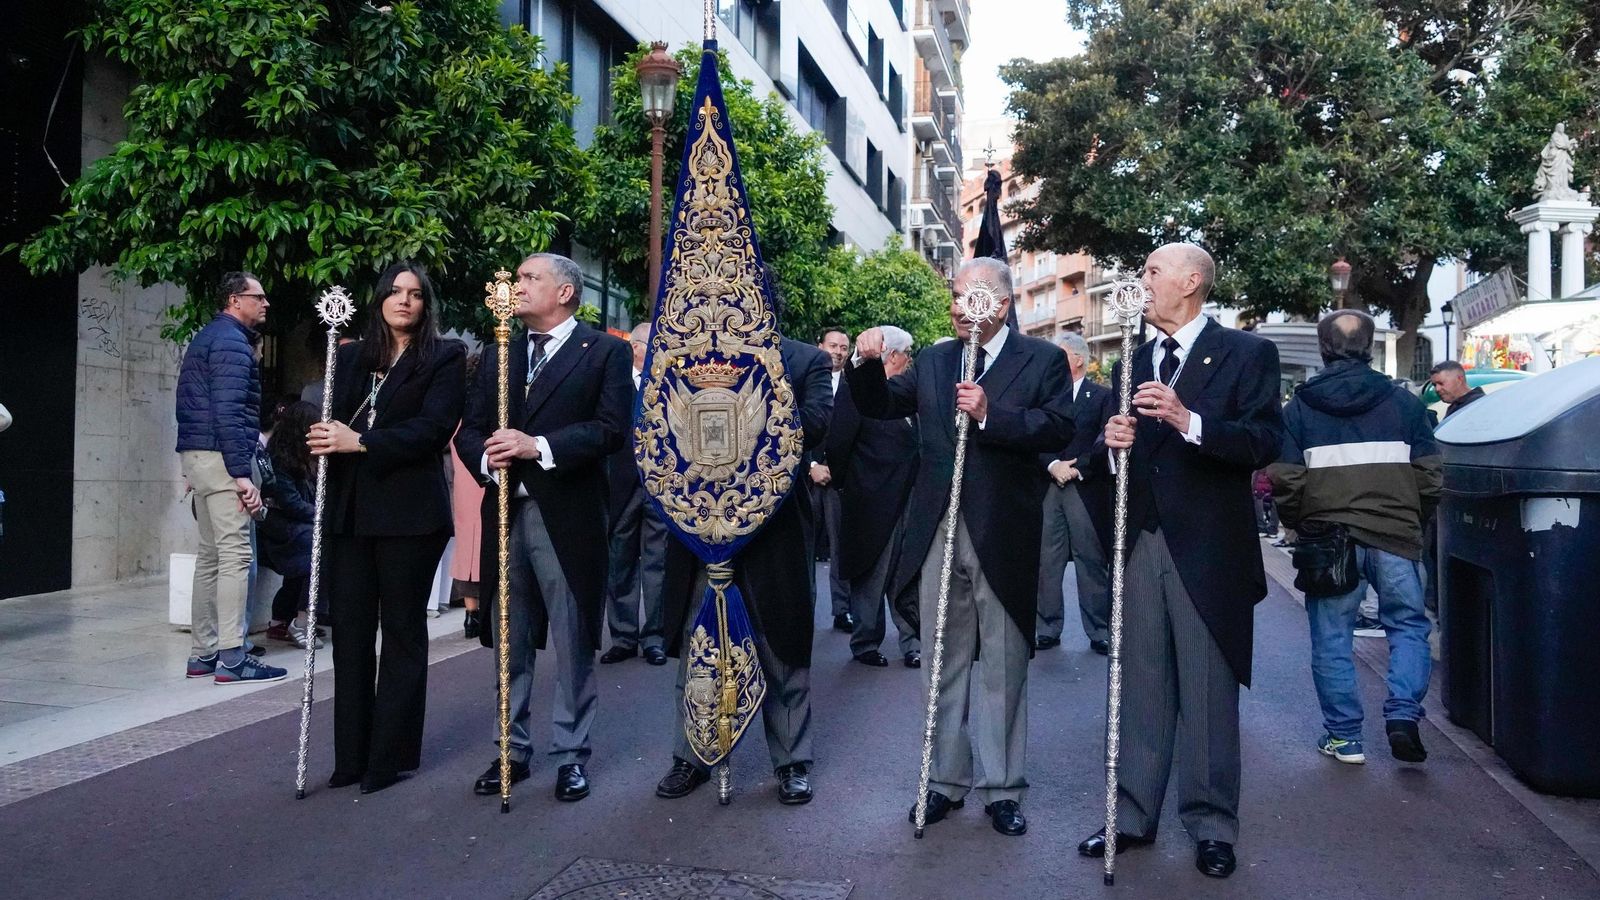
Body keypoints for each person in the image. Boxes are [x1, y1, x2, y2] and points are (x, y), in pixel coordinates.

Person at [1077, 243, 1283, 879]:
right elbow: (1111, 460)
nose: (1142, 281)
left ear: (1191, 281)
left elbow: (1264, 441)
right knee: (1139, 684)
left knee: (1208, 692)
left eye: (1152, 271)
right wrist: (1111, 447)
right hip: (1141, 541)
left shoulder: (1247, 353)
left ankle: (1212, 825)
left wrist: (1189, 420)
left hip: (1210, 551)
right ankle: (1131, 816)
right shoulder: (1130, 360)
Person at [851, 257, 1076, 837]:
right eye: (954, 294)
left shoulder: (1042, 359)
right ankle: (943, 780)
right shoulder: (935, 359)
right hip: (937, 530)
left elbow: (1057, 428)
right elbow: (880, 404)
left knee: (1003, 664)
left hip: (1003, 533)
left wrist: (991, 415)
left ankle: (1003, 788)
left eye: (969, 296)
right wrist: (865, 362)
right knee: (940, 662)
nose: (957, 306)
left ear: (1001, 305)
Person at [454, 253, 631, 803]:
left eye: (530, 278)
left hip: (568, 517)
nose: (517, 286)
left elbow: (611, 429)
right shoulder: (498, 354)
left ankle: (571, 754)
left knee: (573, 638)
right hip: (506, 511)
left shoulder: (604, 351)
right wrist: (489, 460)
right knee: (509, 637)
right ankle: (510, 749)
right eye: (517, 278)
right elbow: (469, 430)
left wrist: (539, 446)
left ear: (565, 292)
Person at [655, 330, 833, 806]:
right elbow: (654, 427)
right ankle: (690, 756)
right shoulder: (684, 356)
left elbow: (816, 426)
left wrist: (758, 386)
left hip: (774, 532)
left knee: (782, 646)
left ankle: (792, 761)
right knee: (699, 644)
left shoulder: (805, 360)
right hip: (700, 529)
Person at [311, 262, 466, 795]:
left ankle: (389, 756)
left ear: (426, 304)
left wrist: (362, 443)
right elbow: (330, 417)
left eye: (415, 294)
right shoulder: (350, 356)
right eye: (396, 292)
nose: (404, 301)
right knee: (350, 634)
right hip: (351, 512)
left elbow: (433, 429)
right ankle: (351, 755)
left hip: (410, 515)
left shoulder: (444, 356)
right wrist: (322, 434)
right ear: (379, 299)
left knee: (401, 632)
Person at [1269, 310, 1440, 766]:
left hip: (1330, 540)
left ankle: (1345, 738)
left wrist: (1301, 524)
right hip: (1395, 535)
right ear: (1369, 347)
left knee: (1332, 638)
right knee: (1407, 626)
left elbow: (1285, 479)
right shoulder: (1405, 404)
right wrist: (1412, 519)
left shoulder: (1299, 408)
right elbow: (1430, 475)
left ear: (1324, 349)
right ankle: (1402, 714)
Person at [175, 271, 284, 685]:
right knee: (236, 556)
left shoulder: (208, 337)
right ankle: (233, 657)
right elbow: (230, 412)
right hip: (223, 458)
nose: (266, 303)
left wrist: (193, 463)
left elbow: (190, 403)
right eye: (259, 296)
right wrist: (241, 474)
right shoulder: (233, 343)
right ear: (235, 300)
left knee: (210, 557)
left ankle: (203, 654)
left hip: (201, 455)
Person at [825, 325, 921, 668]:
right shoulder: (857, 389)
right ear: (892, 355)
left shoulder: (909, 395)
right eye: (907, 354)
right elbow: (839, 441)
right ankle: (865, 642)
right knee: (872, 573)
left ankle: (913, 643)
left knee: (907, 574)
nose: (910, 361)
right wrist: (847, 486)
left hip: (909, 498)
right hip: (871, 499)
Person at [1036, 332, 1116, 654]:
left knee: (1090, 560)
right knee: (1047, 560)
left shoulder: (1101, 396)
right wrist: (1052, 464)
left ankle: (1100, 630)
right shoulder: (1046, 396)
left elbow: (1105, 438)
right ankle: (1046, 627)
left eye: (1061, 355)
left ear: (1079, 359)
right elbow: (1034, 433)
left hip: (1084, 487)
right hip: (1049, 485)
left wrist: (1077, 467)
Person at [599, 323, 669, 666]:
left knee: (658, 562)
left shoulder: (670, 383)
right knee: (619, 562)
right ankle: (623, 637)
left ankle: (654, 637)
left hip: (661, 487)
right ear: (638, 348)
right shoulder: (614, 382)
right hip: (620, 484)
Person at [259, 401, 321, 649]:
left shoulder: (300, 457)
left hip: (292, 523)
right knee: (313, 547)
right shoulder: (280, 459)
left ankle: (284, 621)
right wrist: (322, 516)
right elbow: (290, 503)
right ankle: (298, 621)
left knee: (310, 551)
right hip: (276, 525)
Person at [810, 327, 854, 632]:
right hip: (805, 477)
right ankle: (801, 609)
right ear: (820, 346)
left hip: (839, 480)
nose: (838, 352)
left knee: (841, 547)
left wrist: (834, 469)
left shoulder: (853, 385)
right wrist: (811, 465)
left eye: (843, 347)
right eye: (833, 345)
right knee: (802, 547)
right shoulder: (804, 379)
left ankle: (842, 610)